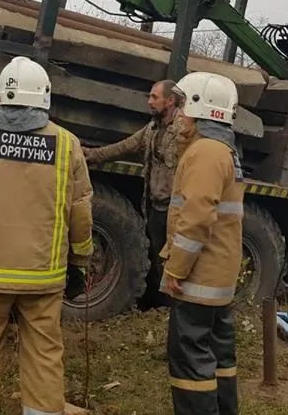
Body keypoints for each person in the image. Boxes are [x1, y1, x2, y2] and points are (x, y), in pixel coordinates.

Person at [0, 55, 94, 415]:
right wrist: (79, 262)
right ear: (45, 96)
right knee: (43, 355)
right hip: (44, 277)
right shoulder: (67, 144)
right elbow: (81, 211)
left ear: (0, 97)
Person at [160, 71, 245, 415]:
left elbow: (195, 219)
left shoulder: (205, 152)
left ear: (200, 108)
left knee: (190, 361)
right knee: (219, 357)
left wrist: (175, 269)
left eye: (181, 105)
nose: (177, 114)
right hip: (218, 276)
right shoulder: (224, 148)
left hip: (199, 279)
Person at [82, 79, 192, 300]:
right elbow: (127, 146)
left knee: (171, 262)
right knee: (155, 256)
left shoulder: (185, 132)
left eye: (154, 97)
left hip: (174, 211)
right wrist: (91, 155)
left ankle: (170, 306)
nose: (149, 101)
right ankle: (158, 303)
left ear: (170, 100)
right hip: (154, 206)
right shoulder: (152, 128)